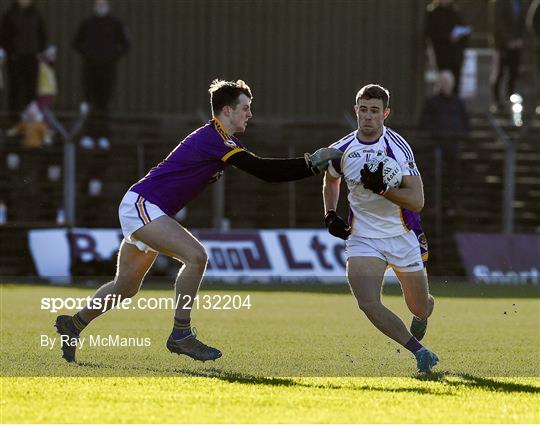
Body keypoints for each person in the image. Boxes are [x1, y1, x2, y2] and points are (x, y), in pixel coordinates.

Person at [54, 79, 342, 363]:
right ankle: (181, 334)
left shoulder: (223, 140)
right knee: (196, 257)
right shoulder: (214, 138)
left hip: (146, 207)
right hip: (143, 205)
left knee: (126, 288)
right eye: (245, 108)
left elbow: (263, 170)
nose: (250, 114)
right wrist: (309, 163)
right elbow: (264, 171)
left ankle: (73, 325)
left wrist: (308, 165)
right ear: (227, 111)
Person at [322, 84, 439, 373]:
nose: (368, 116)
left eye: (375, 111)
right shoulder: (342, 149)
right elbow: (331, 180)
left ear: (385, 113)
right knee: (367, 301)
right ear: (356, 111)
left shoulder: (397, 148)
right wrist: (330, 214)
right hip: (364, 239)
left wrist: (384, 189)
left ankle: (424, 311)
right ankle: (420, 352)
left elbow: (417, 201)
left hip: (402, 236)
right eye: (363, 110)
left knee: (418, 307)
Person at [420, 71, 469, 216]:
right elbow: (424, 122)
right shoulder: (432, 102)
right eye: (444, 82)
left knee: (454, 175)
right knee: (435, 175)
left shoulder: (458, 103)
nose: (446, 85)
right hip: (436, 145)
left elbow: (465, 123)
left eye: (448, 82)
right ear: (439, 84)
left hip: (453, 145)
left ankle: (452, 205)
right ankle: (436, 205)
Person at [72, 0, 130, 115]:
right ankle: (89, 130)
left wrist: (114, 56)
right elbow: (75, 42)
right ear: (94, 6)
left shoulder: (115, 23)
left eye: (103, 4)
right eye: (98, 4)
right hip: (90, 66)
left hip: (108, 67)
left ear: (108, 6)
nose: (101, 7)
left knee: (105, 97)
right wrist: (87, 54)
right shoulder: (87, 23)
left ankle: (104, 129)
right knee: (90, 96)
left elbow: (126, 43)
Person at [0, 0, 47, 122]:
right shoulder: (10, 14)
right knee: (15, 90)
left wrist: (41, 51)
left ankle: (30, 124)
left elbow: (42, 34)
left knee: (31, 91)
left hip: (32, 58)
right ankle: (13, 123)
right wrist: (9, 53)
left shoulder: (37, 14)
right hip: (15, 59)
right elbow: (4, 37)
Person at [424, 0, 470, 96]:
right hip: (442, 55)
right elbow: (431, 34)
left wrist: (461, 35)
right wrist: (448, 37)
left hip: (456, 55)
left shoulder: (455, 11)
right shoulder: (434, 13)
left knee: (456, 83)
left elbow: (464, 30)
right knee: (444, 81)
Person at [490, 0, 527, 111]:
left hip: (516, 46)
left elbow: (522, 23)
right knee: (499, 73)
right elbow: (497, 23)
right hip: (502, 45)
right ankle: (496, 102)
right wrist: (508, 41)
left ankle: (511, 100)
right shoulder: (499, 2)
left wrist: (520, 40)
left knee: (513, 73)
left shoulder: (521, 3)